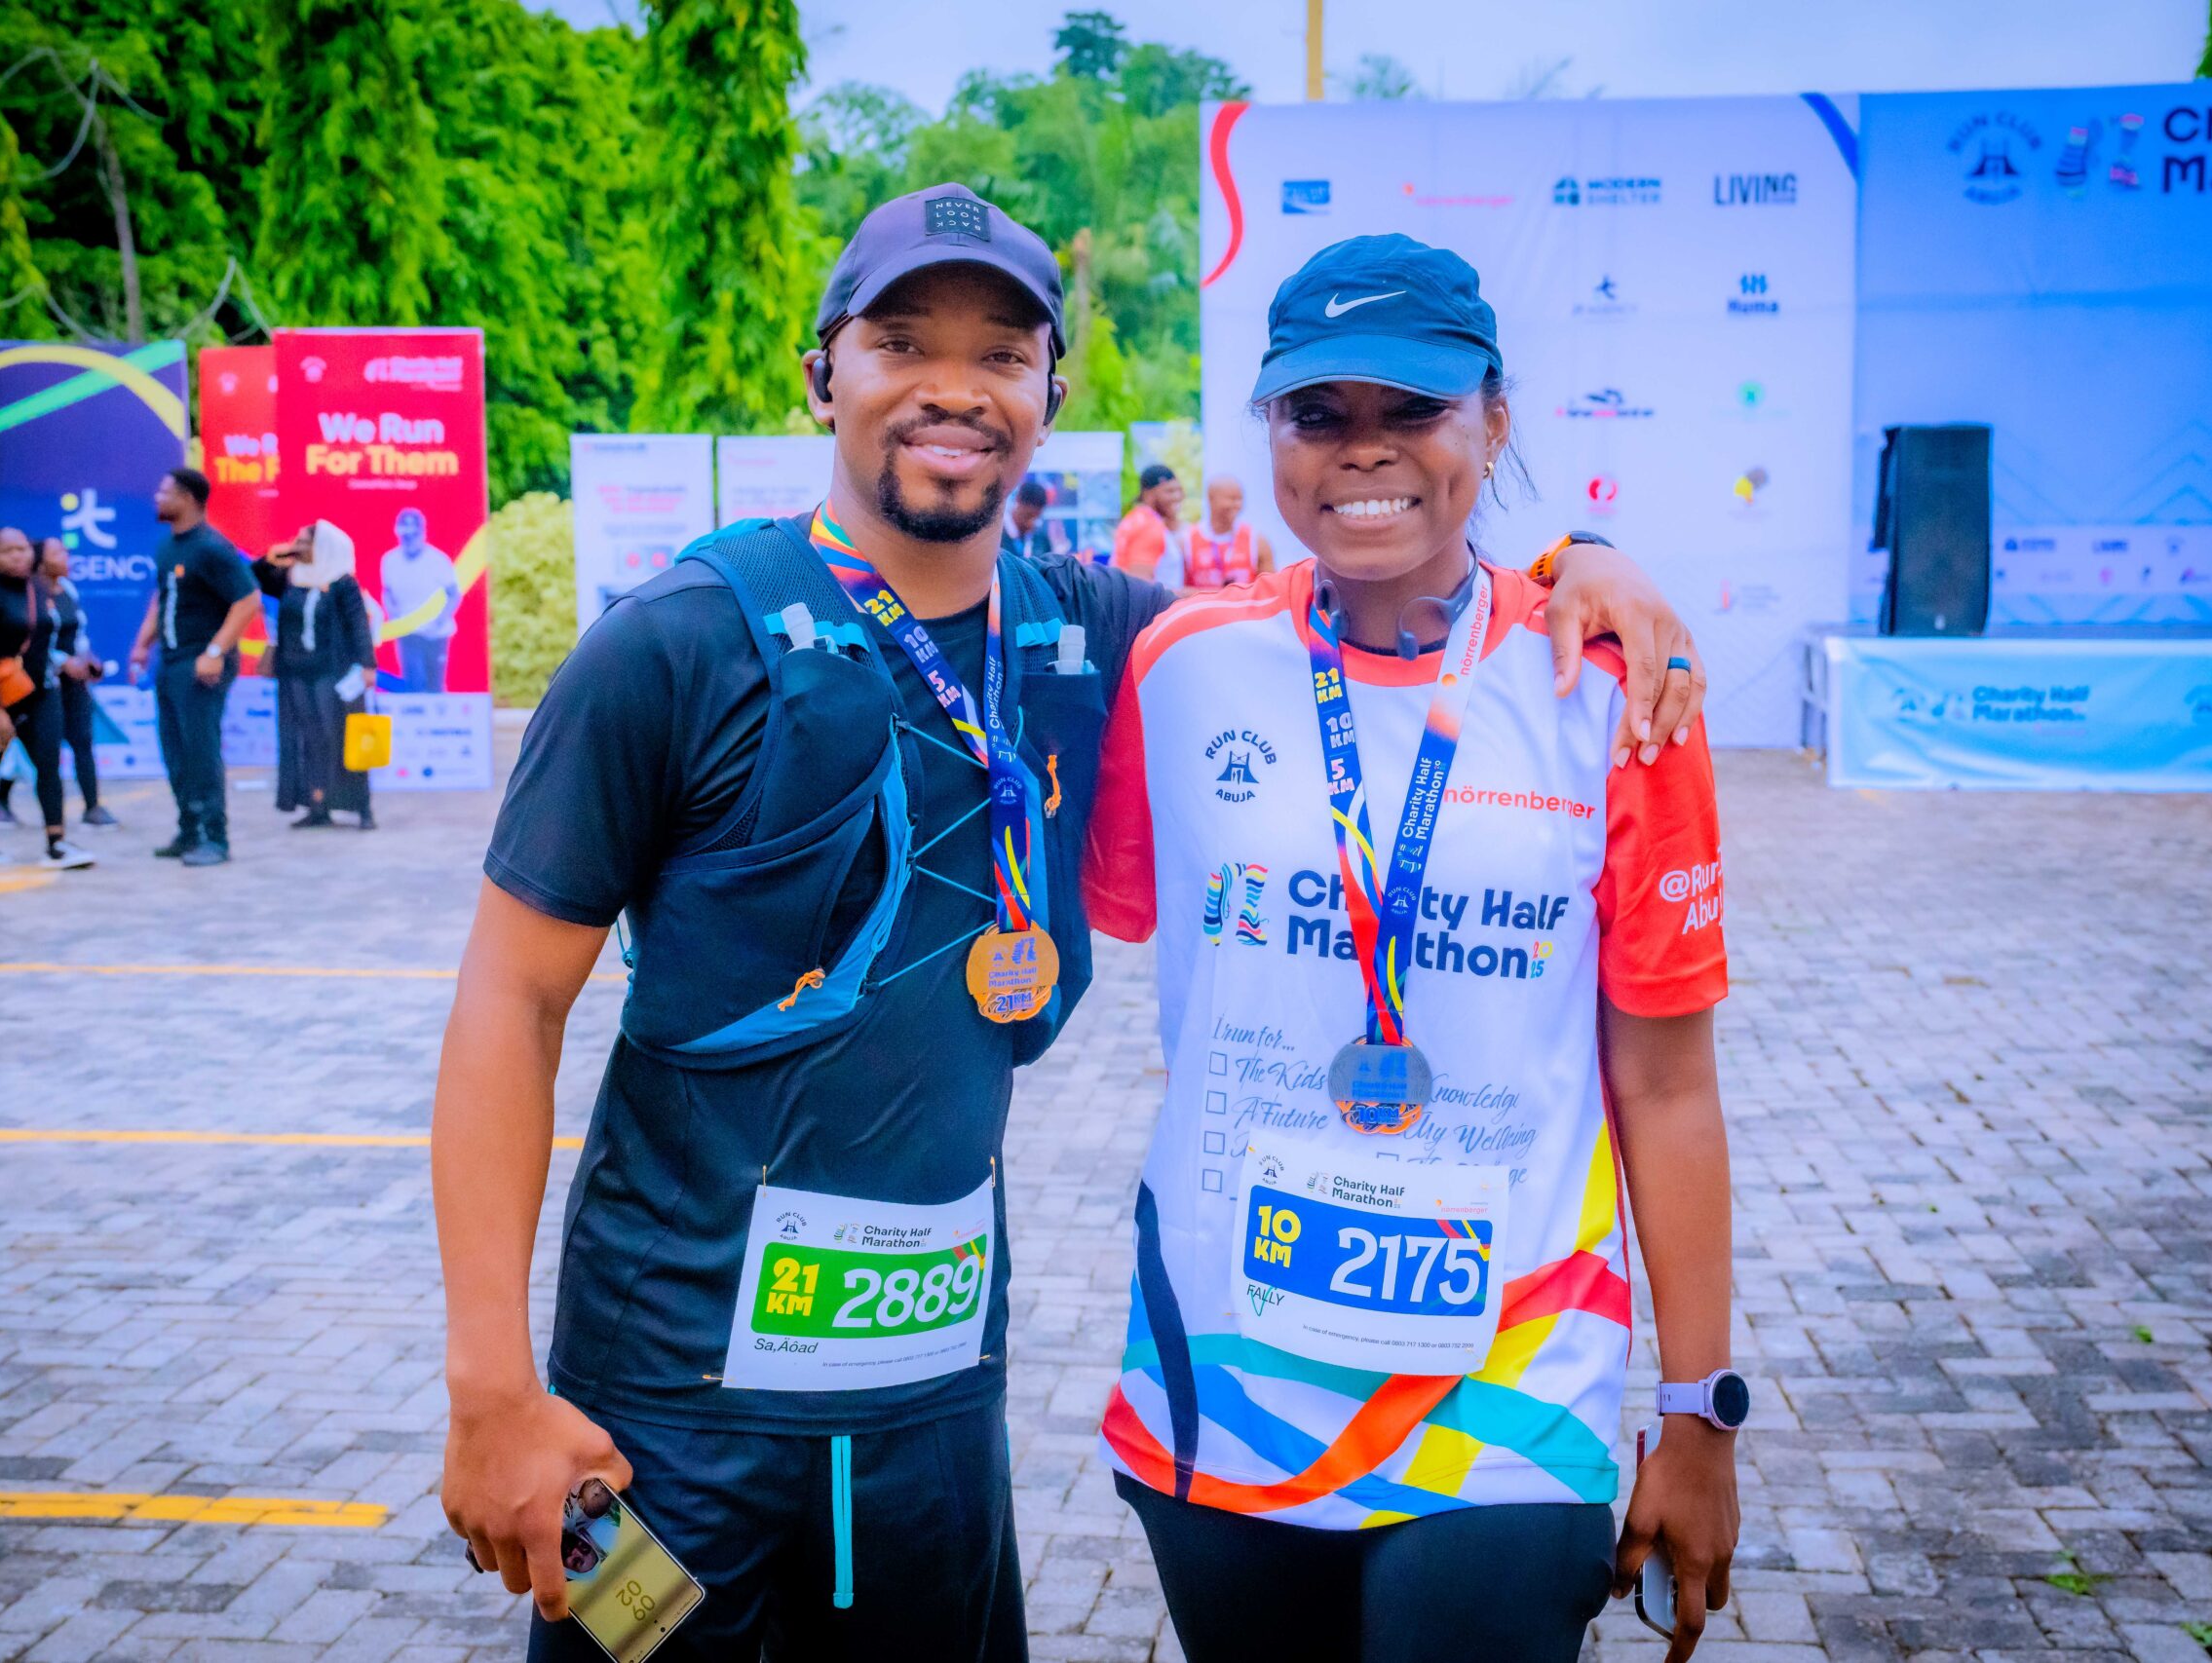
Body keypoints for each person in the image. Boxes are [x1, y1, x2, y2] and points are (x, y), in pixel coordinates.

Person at [433, 183, 1708, 1663]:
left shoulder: (1100, 641)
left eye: (1001, 354)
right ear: (822, 374)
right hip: (655, 1426)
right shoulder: (671, 645)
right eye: (902, 343)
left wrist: (1582, 562)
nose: (953, 389)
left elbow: (1373, 591)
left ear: (1049, 393)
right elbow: (508, 1002)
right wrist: (491, 1391)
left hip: (930, 1425)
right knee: (629, 1658)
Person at [1083, 234, 1736, 1663]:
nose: (1362, 449)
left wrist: (1699, 1411)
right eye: (1319, 413)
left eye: (1414, 408)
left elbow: (1669, 1086)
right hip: (1227, 1377)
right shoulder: (1176, 664)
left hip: (1511, 1384)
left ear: (1495, 422)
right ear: (1268, 433)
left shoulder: (1617, 695)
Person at [129, 467, 260, 866]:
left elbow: (248, 601)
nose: (157, 497)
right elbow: (163, 598)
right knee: (175, 751)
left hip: (202, 664)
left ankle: (215, 839)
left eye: (164, 491)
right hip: (170, 661)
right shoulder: (168, 547)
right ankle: (189, 831)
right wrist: (142, 644)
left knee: (201, 751)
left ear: (186, 498)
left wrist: (215, 651)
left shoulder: (211, 547)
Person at [0, 528, 94, 871]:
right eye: (8, 550)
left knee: (48, 763)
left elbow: (51, 639)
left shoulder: (38, 588)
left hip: (39, 691)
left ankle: (56, 842)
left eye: (23, 548)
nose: (18, 555)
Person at [256, 519, 377, 830]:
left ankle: (361, 806)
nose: (298, 547)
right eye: (297, 540)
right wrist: (275, 555)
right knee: (308, 739)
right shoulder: (291, 577)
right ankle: (317, 805)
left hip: (332, 674)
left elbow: (358, 626)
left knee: (339, 737)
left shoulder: (342, 582)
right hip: (295, 672)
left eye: (305, 542)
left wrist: (368, 665)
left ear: (323, 547)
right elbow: (254, 577)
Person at [0, 538, 114, 830]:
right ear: (41, 562)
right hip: (41, 684)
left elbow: (78, 635)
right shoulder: (30, 595)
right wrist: (61, 662)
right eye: (58, 552)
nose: (66, 555)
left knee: (83, 740)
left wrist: (88, 660)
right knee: (38, 748)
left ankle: (92, 807)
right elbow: (31, 643)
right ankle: (1, 800)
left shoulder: (68, 590)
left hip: (75, 684)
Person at [381, 507, 457, 693]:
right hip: (408, 631)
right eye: (405, 536)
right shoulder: (390, 560)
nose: (409, 540)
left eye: (413, 535)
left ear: (422, 533)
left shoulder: (438, 559)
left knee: (434, 685)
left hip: (436, 633)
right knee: (414, 683)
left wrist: (440, 619)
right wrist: (394, 615)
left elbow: (454, 594)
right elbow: (387, 592)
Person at [1176, 474, 1272, 590]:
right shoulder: (1186, 540)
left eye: (1240, 499)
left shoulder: (1257, 540)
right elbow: (1177, 591)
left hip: (1243, 603)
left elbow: (1269, 589)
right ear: (1211, 499)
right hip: (1202, 602)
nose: (1237, 504)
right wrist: (1216, 595)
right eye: (1232, 498)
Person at [1111, 463, 1184, 581]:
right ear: (1148, 494)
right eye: (1169, 491)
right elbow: (1140, 584)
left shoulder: (1135, 518)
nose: (1177, 497)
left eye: (1179, 490)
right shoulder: (1148, 526)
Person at [997, 478, 1062, 559]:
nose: (1031, 523)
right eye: (1028, 516)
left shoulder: (1041, 539)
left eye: (1037, 517)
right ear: (1018, 501)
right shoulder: (997, 535)